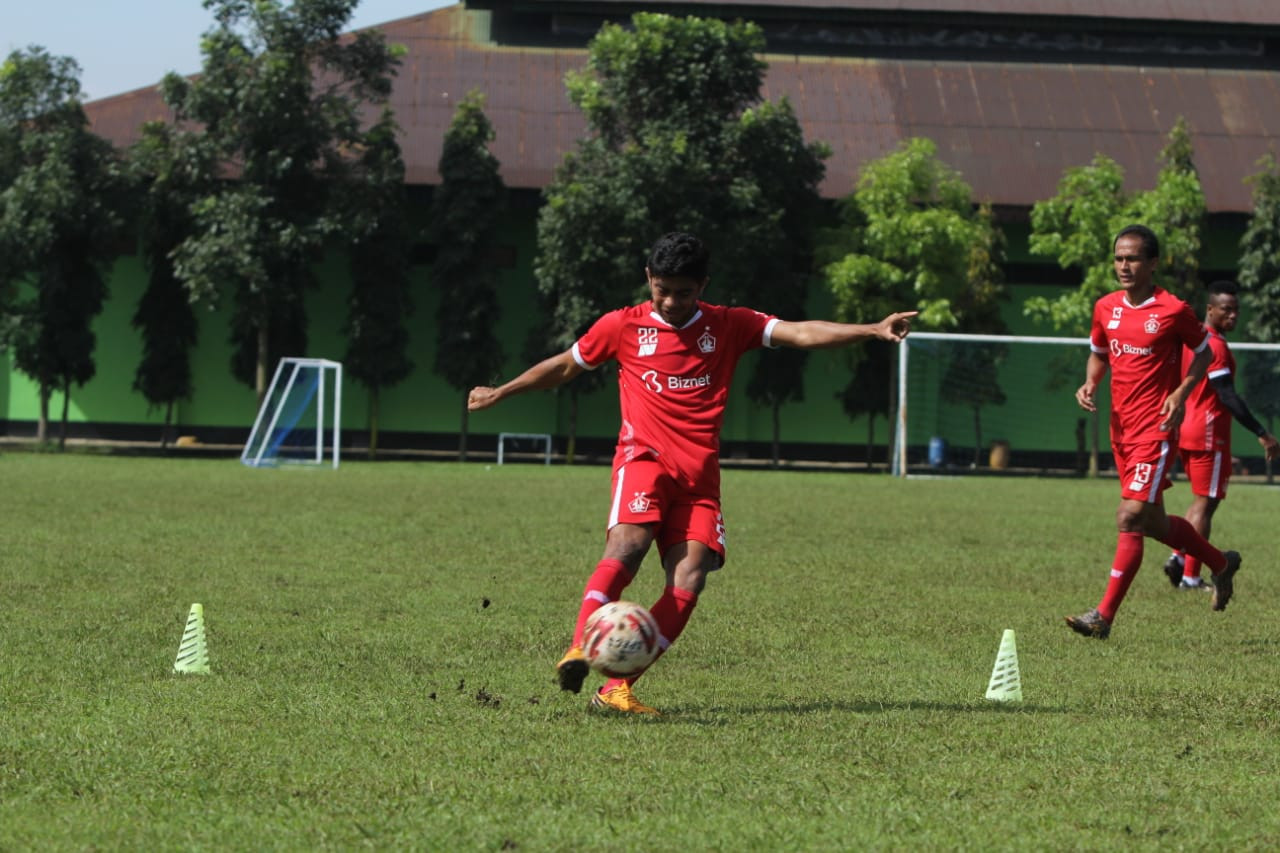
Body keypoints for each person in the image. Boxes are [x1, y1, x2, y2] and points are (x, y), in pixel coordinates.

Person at [468, 232, 917, 714]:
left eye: (684, 291)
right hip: (643, 462)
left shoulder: (729, 325)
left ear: (702, 284)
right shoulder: (622, 326)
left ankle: (616, 685)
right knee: (628, 546)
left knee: (690, 578)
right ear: (648, 278)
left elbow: (801, 332)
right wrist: (501, 393)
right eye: (662, 289)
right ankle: (579, 646)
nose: (671, 301)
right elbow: (564, 367)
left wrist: (871, 329)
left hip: (698, 478)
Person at [1066, 224, 1242, 640]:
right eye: (1119, 258)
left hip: (1157, 430)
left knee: (1129, 516)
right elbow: (1099, 353)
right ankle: (1220, 563)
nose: (1123, 266)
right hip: (1121, 429)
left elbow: (1203, 353)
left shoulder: (1173, 310)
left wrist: (1181, 394)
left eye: (1132, 258)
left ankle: (1103, 617)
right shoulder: (1106, 307)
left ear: (1152, 264)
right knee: (1155, 523)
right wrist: (1090, 382)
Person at [1162, 280, 1280, 590]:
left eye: (1236, 311)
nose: (1233, 316)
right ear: (1210, 309)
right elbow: (1226, 394)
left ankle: (1178, 558)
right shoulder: (1215, 346)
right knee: (1206, 505)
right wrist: (1261, 432)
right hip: (1209, 434)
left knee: (1199, 502)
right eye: (1226, 310)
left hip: (1188, 430)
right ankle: (1190, 576)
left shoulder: (1195, 342)